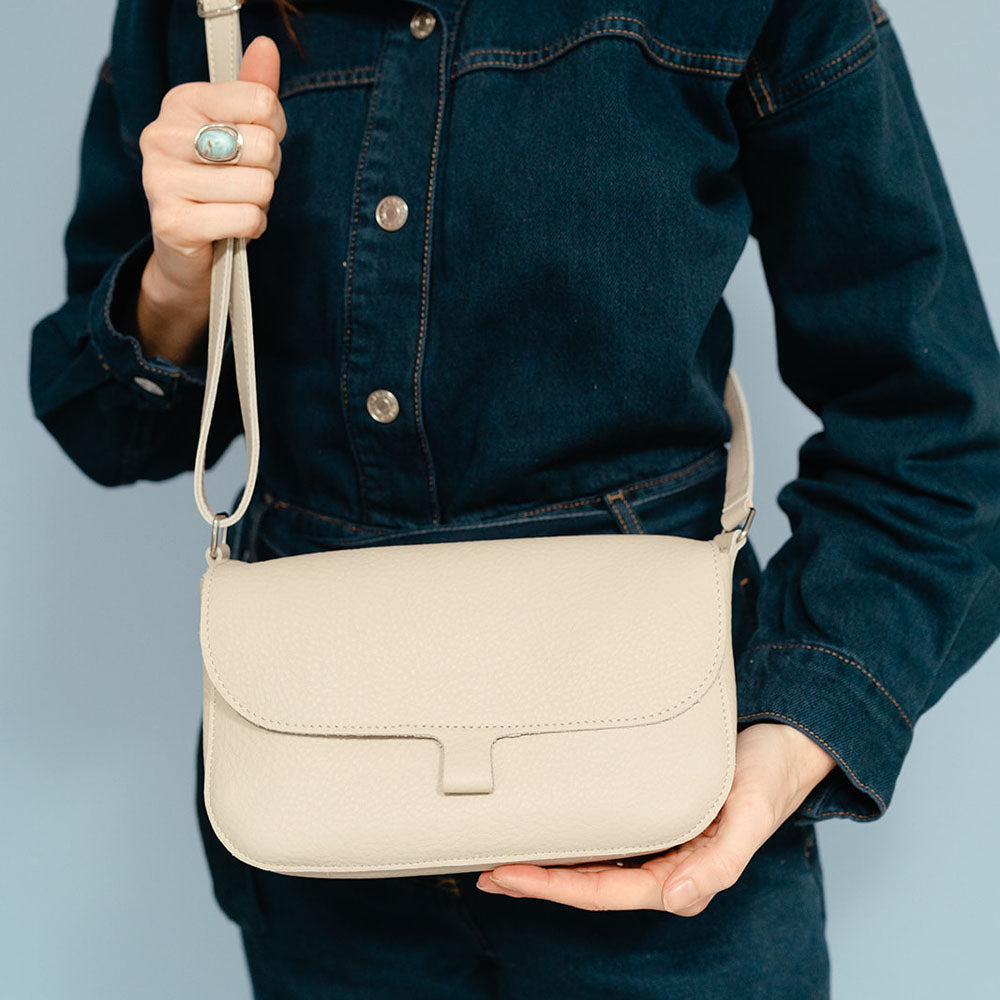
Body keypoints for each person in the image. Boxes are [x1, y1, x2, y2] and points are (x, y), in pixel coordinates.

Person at [28, 0, 1000, 997]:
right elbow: (106, 431)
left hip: (672, 837)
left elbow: (940, 428)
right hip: (324, 871)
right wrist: (176, 281)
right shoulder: (198, 14)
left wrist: (792, 743)